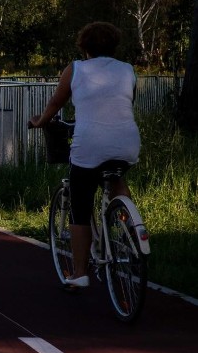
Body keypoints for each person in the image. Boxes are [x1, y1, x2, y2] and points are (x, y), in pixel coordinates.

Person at [28, 21, 140, 288]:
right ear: (114, 45)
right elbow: (126, 103)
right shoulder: (127, 70)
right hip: (127, 142)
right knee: (116, 178)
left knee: (81, 204)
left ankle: (79, 273)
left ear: (84, 46)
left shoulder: (75, 69)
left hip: (90, 144)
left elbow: (57, 103)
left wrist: (40, 121)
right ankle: (129, 227)